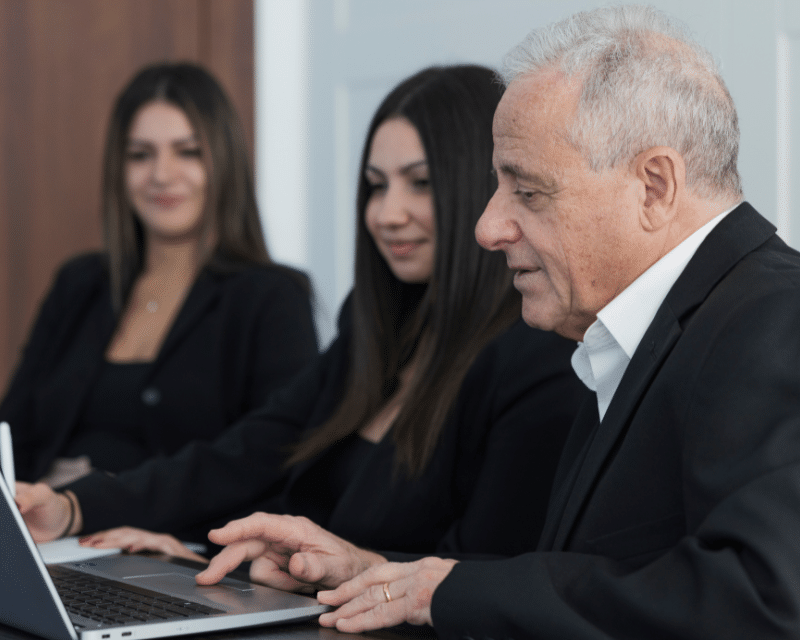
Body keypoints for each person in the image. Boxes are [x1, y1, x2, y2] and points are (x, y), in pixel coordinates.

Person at [186, 6, 800, 639]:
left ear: (652, 187)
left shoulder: (776, 320)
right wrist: (383, 574)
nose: (487, 227)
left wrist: (444, 590)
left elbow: (762, 603)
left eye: (527, 191)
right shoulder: (634, 337)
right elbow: (593, 576)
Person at [17, 65, 585, 563]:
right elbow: (246, 452)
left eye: (420, 184)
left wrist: (296, 569)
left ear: (480, 188)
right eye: (375, 186)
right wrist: (76, 510)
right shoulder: (377, 330)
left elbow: (478, 576)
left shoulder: (538, 357)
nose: (388, 213)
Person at [0, 63, 318, 489]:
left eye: (188, 152)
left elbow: (273, 466)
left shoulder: (273, 298)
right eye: (140, 155)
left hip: (177, 548)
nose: (161, 175)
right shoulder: (79, 284)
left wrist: (98, 496)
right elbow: (12, 431)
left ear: (223, 162)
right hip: (45, 542)